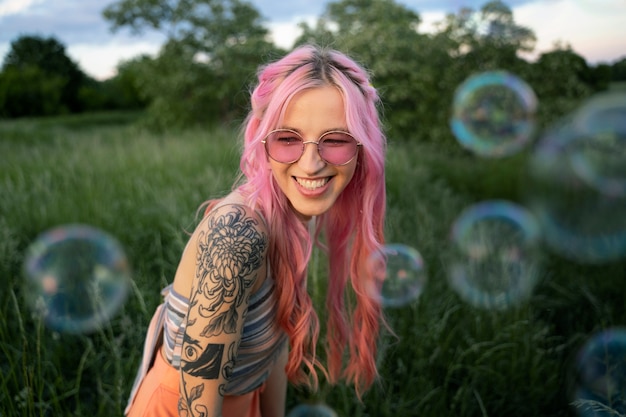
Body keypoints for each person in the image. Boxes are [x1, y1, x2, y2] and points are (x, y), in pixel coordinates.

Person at [125, 44, 388, 417]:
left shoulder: (290, 213)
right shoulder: (238, 235)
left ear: (362, 149)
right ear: (262, 143)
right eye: (288, 139)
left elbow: (273, 346)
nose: (311, 164)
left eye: (335, 140)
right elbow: (196, 402)